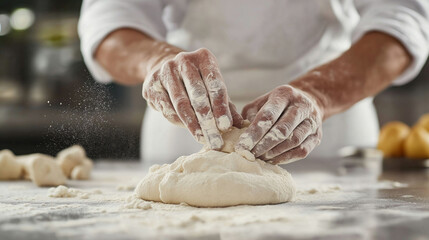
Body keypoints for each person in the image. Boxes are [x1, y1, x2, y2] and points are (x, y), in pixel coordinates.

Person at [78, 0, 429, 166]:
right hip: (186, 131)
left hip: (326, 132)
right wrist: (156, 60)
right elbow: (110, 18)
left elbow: (403, 17)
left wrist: (319, 94)